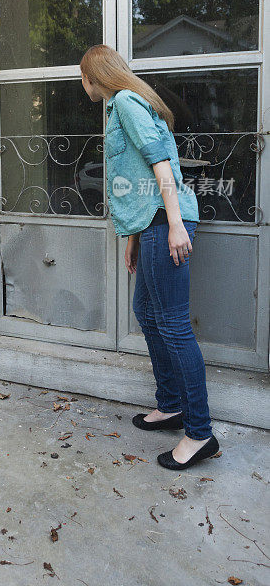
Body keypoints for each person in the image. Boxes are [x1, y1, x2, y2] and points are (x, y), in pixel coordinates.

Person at [80, 44, 219, 471]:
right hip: (154, 222)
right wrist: (135, 235)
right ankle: (171, 404)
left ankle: (199, 433)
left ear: (94, 76)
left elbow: (161, 161)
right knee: (146, 308)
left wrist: (174, 223)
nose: (81, 83)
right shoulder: (122, 104)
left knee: (174, 324)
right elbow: (139, 173)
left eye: (82, 76)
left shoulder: (124, 101)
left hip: (166, 220)